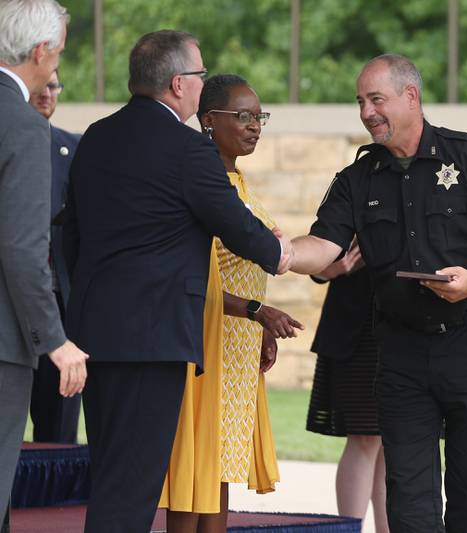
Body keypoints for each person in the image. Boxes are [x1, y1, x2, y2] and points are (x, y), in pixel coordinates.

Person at [283, 54, 467, 532]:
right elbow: (324, 246)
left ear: (411, 97)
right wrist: (281, 252)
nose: (366, 112)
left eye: (375, 99)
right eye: (360, 102)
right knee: (408, 503)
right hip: (402, 354)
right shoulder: (356, 180)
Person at [63, 31, 291, 533]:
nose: (201, 83)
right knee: (135, 484)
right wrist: (280, 253)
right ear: (177, 84)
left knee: (111, 473)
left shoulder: (96, 136)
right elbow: (234, 223)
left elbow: (71, 235)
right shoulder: (188, 149)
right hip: (154, 339)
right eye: (200, 75)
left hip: (95, 332)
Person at [160, 74, 304, 533]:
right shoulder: (203, 186)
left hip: (239, 347)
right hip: (206, 344)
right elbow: (196, 279)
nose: (254, 126)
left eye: (258, 116)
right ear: (207, 121)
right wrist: (257, 312)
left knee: (222, 467)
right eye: (242, 116)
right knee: (195, 470)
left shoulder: (236, 180)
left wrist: (258, 325)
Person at [0, 0, 88, 525]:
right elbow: (21, 247)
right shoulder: (23, 126)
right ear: (40, 51)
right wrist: (55, 340)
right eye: (57, 54)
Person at [305, 240, 389, 533]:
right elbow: (317, 260)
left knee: (393, 444)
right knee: (365, 437)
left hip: (406, 327)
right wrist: (335, 267)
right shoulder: (354, 194)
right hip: (357, 330)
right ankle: (349, 528)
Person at [28, 68, 82, 444]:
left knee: (59, 425)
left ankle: (55, 503)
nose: (47, 93)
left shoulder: (74, 148)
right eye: (40, 85)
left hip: (62, 304)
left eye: (54, 85)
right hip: (13, 303)